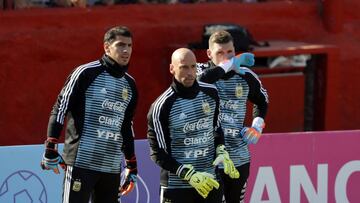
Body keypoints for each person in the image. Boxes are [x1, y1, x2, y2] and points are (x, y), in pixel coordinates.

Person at [40, 26, 138, 203]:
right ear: (106, 48)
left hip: (111, 167)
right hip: (81, 163)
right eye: (120, 45)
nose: (126, 51)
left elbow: (126, 126)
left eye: (130, 46)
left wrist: (131, 164)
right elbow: (60, 109)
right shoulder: (85, 73)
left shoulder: (130, 85)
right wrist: (51, 145)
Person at [147, 48, 239, 203]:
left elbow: (216, 129)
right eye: (183, 67)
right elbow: (157, 153)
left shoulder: (211, 93)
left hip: (210, 182)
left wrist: (221, 149)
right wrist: (187, 174)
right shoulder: (161, 106)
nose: (190, 72)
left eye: (193, 67)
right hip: (176, 187)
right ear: (172, 68)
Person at [197, 30, 269, 203]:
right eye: (220, 53)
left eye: (230, 52)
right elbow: (201, 81)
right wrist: (232, 63)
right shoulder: (200, 70)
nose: (226, 57)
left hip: (239, 157)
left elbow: (262, 101)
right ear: (209, 54)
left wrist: (257, 125)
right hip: (209, 159)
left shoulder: (245, 75)